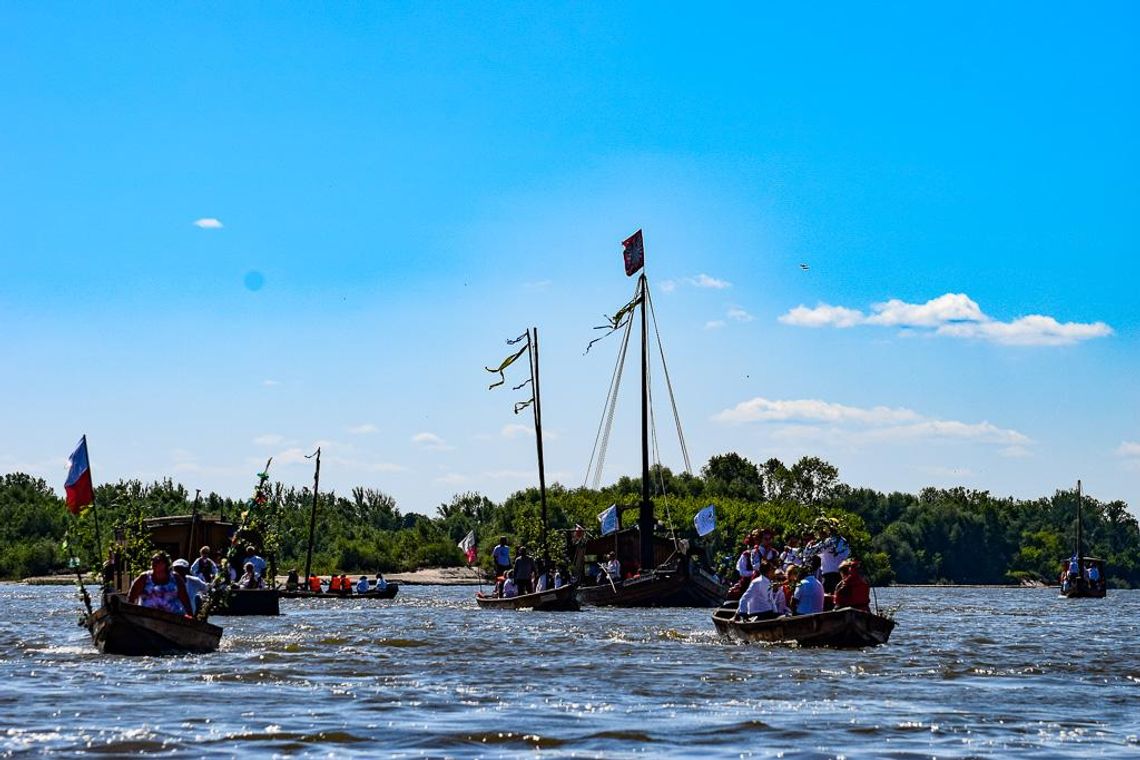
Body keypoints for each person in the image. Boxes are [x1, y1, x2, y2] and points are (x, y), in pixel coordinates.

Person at [128, 552, 192, 615]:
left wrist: (190, 616)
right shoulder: (144, 578)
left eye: (158, 561)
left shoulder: (175, 578)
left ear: (165, 564)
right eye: (153, 560)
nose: (154, 563)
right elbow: (132, 597)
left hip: (172, 619)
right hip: (146, 618)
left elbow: (185, 599)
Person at [815, 522, 850, 595]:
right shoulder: (843, 541)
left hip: (829, 574)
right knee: (838, 594)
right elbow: (847, 554)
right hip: (839, 573)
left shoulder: (827, 541)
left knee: (828, 596)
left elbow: (817, 551)